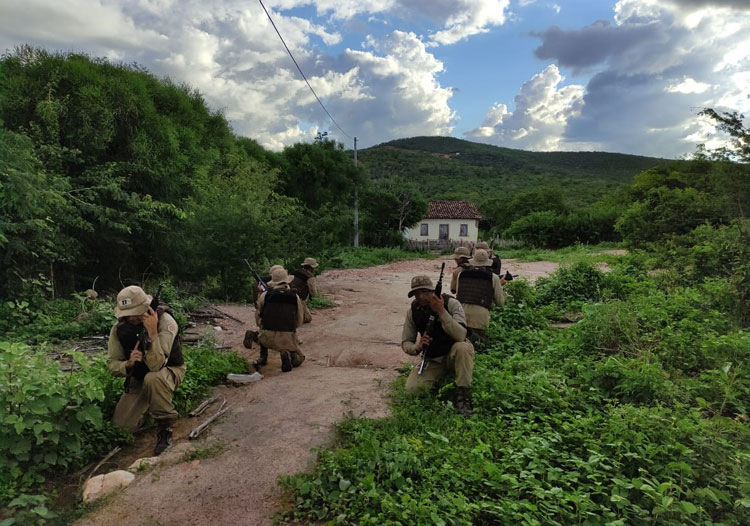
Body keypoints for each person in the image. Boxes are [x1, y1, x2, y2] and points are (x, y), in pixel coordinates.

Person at [107, 285, 185, 456]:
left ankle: (165, 426)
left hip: (168, 371)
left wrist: (152, 333)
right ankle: (151, 405)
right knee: (121, 427)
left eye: (136, 312)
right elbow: (112, 364)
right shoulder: (119, 329)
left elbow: (157, 365)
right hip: (138, 377)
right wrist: (127, 364)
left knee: (153, 378)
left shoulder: (166, 322)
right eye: (127, 314)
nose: (132, 317)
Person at [401, 275, 475, 417]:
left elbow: (461, 335)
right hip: (434, 357)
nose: (420, 296)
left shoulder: (451, 304)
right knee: (412, 391)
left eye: (424, 292)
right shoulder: (413, 311)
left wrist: (442, 312)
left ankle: (463, 395)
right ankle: (443, 375)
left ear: (433, 291)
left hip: (454, 352)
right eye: (416, 294)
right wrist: (417, 347)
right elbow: (406, 342)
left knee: (462, 347)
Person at [255, 267, 306, 372]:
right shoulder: (295, 296)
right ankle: (288, 353)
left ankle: (263, 357)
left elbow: (258, 313)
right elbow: (299, 319)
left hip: (266, 337)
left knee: (262, 330)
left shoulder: (265, 295)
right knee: (300, 358)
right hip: (287, 336)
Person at [455, 249, 505, 347]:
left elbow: (458, 294)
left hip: (461, 315)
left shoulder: (461, 274)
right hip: (480, 319)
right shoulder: (493, 277)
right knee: (480, 346)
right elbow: (500, 303)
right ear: (488, 262)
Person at [290, 257, 320, 324]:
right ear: (311, 267)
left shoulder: (296, 272)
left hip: (290, 294)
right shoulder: (310, 277)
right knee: (307, 318)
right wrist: (314, 296)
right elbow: (313, 291)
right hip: (299, 298)